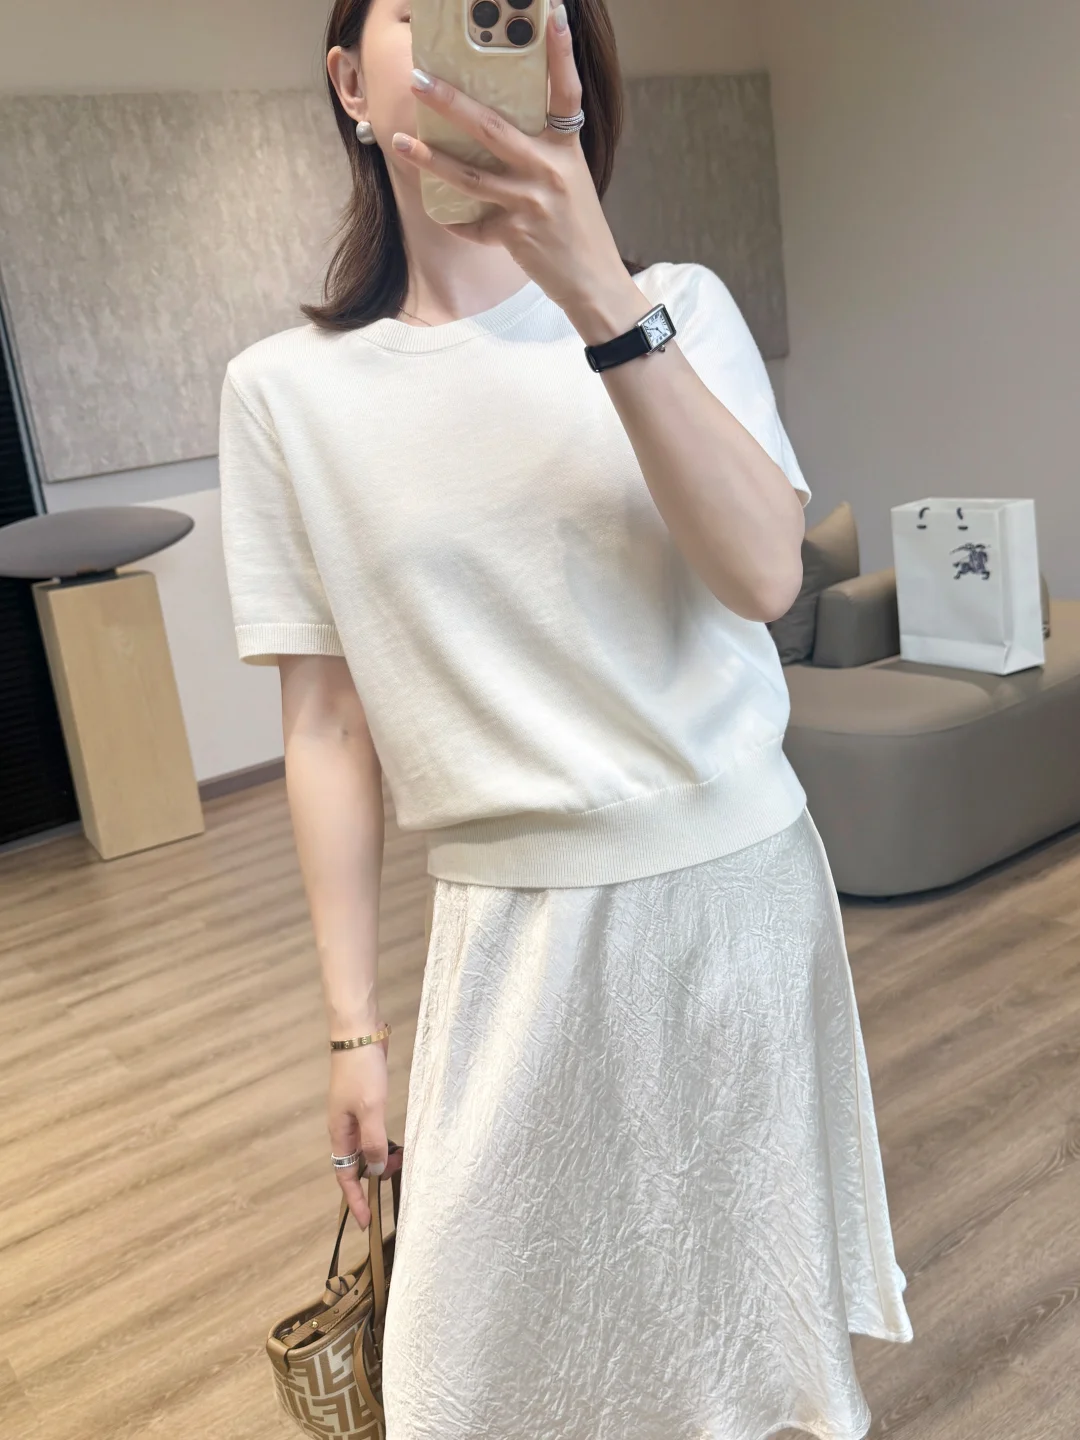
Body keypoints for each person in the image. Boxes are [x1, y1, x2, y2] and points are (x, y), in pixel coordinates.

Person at [217, 0, 914, 1435]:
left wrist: (601, 296)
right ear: (352, 83)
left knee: (734, 1342)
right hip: (506, 935)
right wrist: (351, 1030)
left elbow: (763, 577)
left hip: (733, 907)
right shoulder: (287, 395)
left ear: (569, 67)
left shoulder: (679, 307)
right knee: (471, 1372)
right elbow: (326, 726)